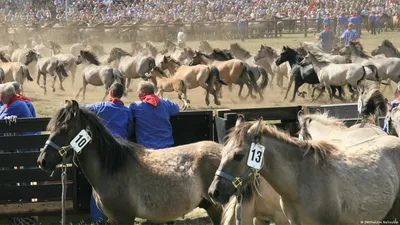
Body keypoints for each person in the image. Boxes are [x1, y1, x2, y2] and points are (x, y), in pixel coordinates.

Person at [84, 82, 133, 223]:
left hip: (102, 152)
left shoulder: (101, 106)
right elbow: (129, 130)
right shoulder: (127, 111)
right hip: (120, 152)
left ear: (110, 93)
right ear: (121, 94)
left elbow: (83, 109)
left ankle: (98, 218)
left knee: (98, 185)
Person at [129, 81, 179, 149]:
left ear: (143, 93)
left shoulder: (135, 106)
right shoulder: (166, 103)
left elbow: (126, 113)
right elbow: (176, 109)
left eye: (138, 91)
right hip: (166, 147)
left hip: (147, 149)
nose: (137, 93)